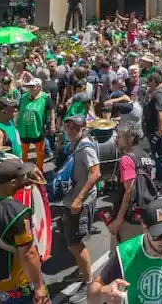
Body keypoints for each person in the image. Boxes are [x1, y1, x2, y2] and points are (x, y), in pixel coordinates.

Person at [0, 159, 50, 304]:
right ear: (13, 182)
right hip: (19, 289)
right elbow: (29, 254)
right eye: (22, 177)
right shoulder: (17, 212)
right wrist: (39, 286)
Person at [61, 114, 101, 302]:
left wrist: (78, 199)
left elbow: (96, 174)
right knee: (71, 240)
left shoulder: (86, 147)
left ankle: (89, 282)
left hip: (80, 202)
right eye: (67, 126)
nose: (69, 130)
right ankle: (81, 270)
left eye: (74, 127)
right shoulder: (73, 144)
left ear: (82, 129)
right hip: (70, 200)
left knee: (75, 243)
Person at [106, 121, 156, 242]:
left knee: (123, 251)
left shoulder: (126, 159)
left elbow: (128, 190)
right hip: (146, 212)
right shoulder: (146, 156)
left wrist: (119, 219)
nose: (116, 139)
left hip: (129, 218)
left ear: (131, 138)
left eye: (119, 136)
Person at [17, 76, 52, 170]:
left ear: (39, 87)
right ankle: (22, 170)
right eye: (29, 86)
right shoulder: (24, 97)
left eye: (33, 86)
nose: (31, 88)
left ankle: (39, 170)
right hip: (24, 129)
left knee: (39, 152)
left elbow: (51, 110)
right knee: (23, 152)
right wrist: (16, 122)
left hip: (37, 129)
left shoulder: (45, 97)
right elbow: (19, 110)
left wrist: (52, 124)